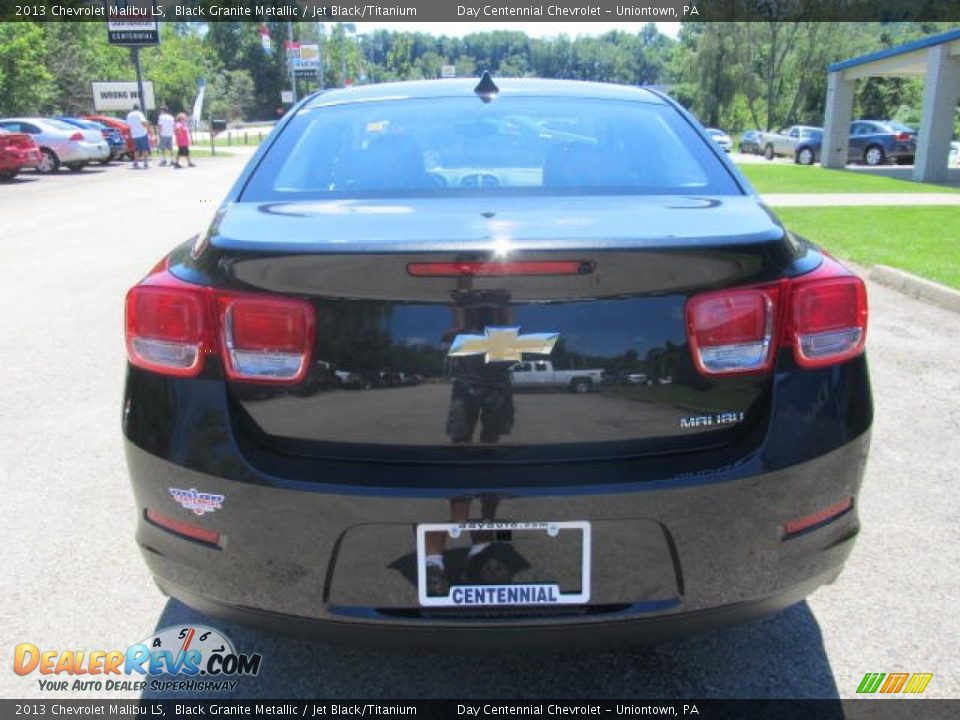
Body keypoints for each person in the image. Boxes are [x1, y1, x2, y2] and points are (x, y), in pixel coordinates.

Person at [125, 103, 151, 169]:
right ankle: (145, 163)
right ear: (138, 108)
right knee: (145, 149)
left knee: (137, 150)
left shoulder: (129, 115)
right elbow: (143, 122)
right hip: (142, 133)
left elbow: (128, 125)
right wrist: (148, 128)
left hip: (135, 134)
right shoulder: (139, 113)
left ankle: (136, 163)